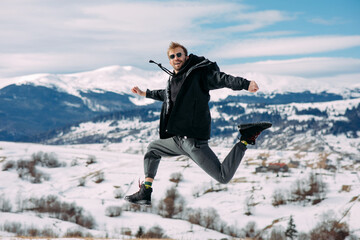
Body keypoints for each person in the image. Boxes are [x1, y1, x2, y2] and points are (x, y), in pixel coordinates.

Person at [125, 42, 271, 205]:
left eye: (179, 55)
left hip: (193, 141)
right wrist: (144, 93)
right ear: (169, 61)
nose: (176, 58)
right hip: (178, 140)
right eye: (172, 56)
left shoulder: (198, 74)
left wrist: (245, 84)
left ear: (186, 57)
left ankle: (246, 137)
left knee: (223, 176)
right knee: (153, 149)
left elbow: (222, 79)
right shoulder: (174, 80)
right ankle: (146, 192)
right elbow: (166, 95)